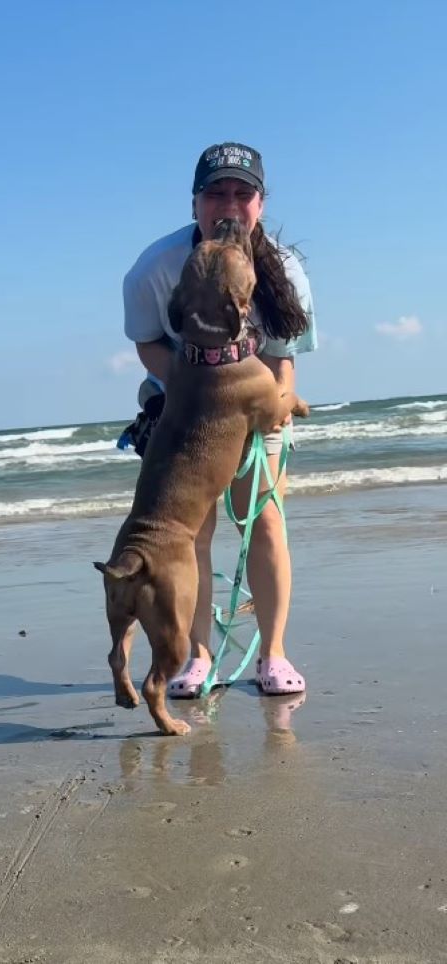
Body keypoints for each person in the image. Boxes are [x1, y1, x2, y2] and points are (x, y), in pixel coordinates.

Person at [121, 142, 317, 697]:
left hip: (258, 400)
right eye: (215, 193)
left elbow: (283, 356)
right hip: (183, 407)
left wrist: (274, 412)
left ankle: (273, 654)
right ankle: (197, 657)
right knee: (192, 536)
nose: (228, 204)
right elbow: (149, 345)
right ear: (194, 203)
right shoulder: (154, 270)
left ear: (260, 202)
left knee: (265, 520)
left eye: (242, 193)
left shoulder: (286, 270)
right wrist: (196, 392)